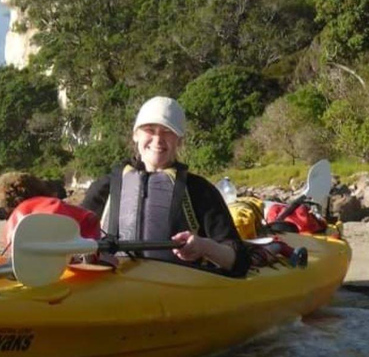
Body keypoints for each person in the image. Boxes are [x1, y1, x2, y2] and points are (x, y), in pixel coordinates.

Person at [81, 96, 250, 277]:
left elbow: (238, 261)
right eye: (149, 130)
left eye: (167, 131)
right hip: (116, 288)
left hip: (179, 293)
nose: (158, 139)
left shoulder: (199, 191)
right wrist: (87, 255)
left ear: (179, 140)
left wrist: (203, 247)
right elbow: (69, 242)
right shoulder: (105, 188)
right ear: (135, 135)